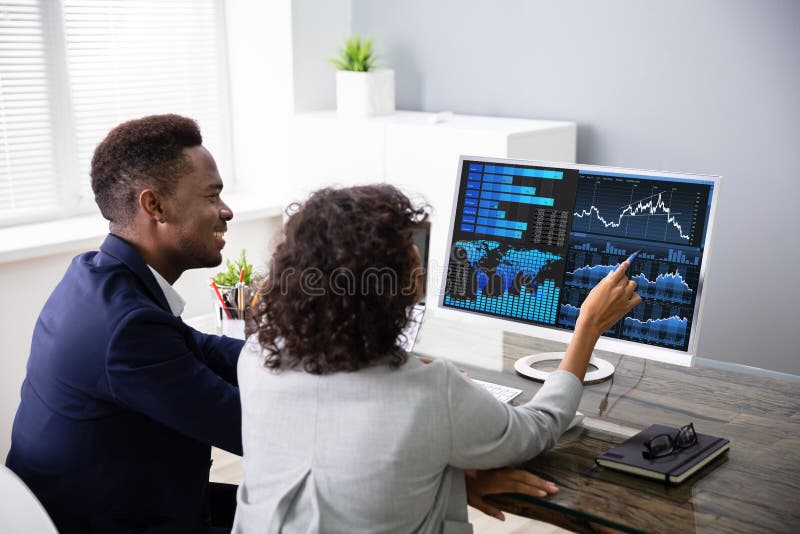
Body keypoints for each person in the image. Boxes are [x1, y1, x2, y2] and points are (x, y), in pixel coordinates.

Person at [233, 184, 641, 533]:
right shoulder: (429, 394)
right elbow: (538, 429)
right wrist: (587, 327)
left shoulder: (254, 360)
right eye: (408, 251)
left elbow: (336, 464)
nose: (420, 257)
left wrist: (446, 474)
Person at [5, 114, 244, 533]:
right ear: (155, 205)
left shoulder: (97, 275)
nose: (226, 211)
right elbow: (253, 429)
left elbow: (198, 346)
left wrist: (295, 354)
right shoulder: (127, 328)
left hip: (117, 502)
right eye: (211, 196)